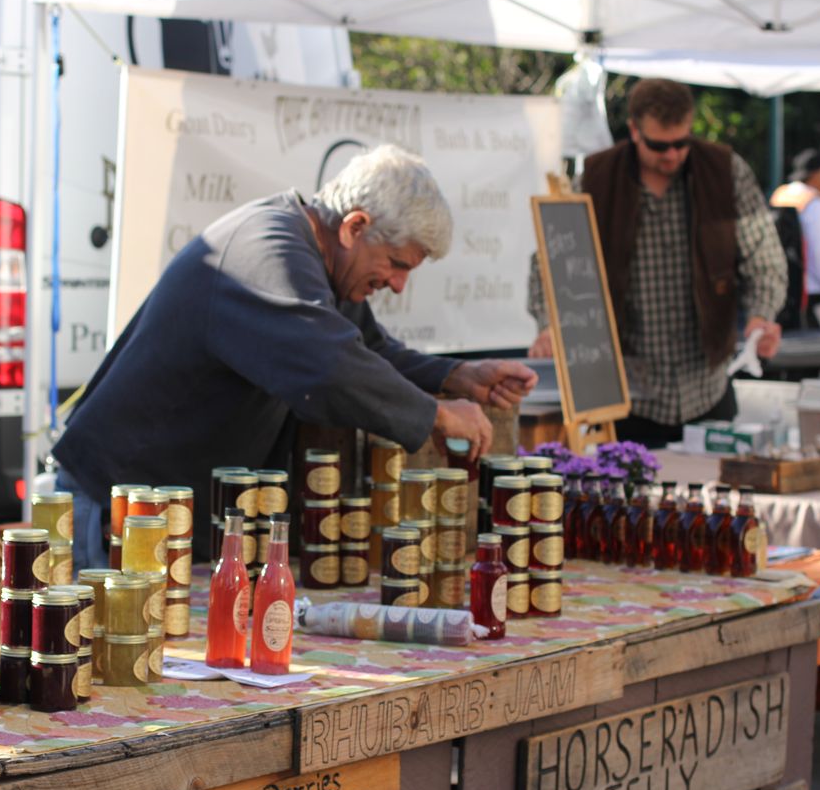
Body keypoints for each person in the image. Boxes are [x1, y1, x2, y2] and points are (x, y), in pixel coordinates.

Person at [52, 145, 537, 568]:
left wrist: (457, 375)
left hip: (161, 511)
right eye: (396, 264)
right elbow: (328, 367)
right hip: (114, 509)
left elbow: (367, 350)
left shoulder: (325, 261)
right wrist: (435, 415)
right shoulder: (269, 249)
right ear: (356, 226)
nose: (397, 284)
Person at [528, 78, 786, 449]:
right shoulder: (599, 177)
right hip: (625, 396)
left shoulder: (725, 170)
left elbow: (764, 255)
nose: (672, 155)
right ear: (634, 130)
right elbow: (550, 263)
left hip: (707, 388)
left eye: (681, 143)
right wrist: (553, 324)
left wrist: (762, 314)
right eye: (659, 145)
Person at [770, 149, 820, 327]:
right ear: (816, 173)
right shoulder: (815, 203)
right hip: (810, 295)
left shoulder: (780, 195)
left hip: (781, 289)